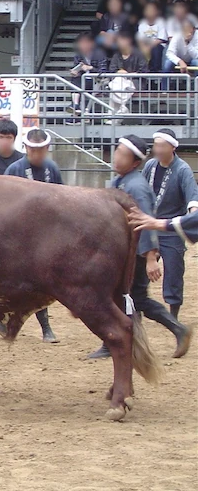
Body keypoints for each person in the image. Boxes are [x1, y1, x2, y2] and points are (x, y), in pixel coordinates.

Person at [87, 135, 192, 360]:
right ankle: (116, 340)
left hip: (135, 255)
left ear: (135, 163)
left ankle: (176, 329)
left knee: (135, 298)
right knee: (124, 298)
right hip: (123, 254)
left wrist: (150, 257)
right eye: (117, 151)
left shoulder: (137, 186)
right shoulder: (120, 181)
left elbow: (146, 222)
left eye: (123, 155)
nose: (117, 157)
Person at [0, 127, 62, 343]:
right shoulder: (14, 170)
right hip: (19, 237)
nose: (38, 154)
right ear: (26, 148)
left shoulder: (51, 169)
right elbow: (3, 204)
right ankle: (4, 318)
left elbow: (61, 201)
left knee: (40, 282)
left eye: (42, 150)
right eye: (34, 150)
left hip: (44, 237)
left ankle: (42, 327)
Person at [141, 129, 198, 320]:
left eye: (161, 145)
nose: (156, 149)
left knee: (174, 271)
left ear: (172, 147)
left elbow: (192, 199)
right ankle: (137, 307)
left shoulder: (182, 170)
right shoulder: (150, 165)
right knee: (138, 269)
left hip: (170, 228)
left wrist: (192, 217)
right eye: (155, 145)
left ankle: (173, 313)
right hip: (148, 226)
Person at [136, 2, 169, 71]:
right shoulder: (142, 23)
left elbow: (160, 39)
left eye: (152, 10)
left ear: (157, 11)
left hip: (158, 46)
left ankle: (155, 73)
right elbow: (140, 40)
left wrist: (149, 47)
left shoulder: (161, 22)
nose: (149, 12)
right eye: (147, 10)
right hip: (146, 46)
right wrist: (143, 48)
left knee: (155, 50)